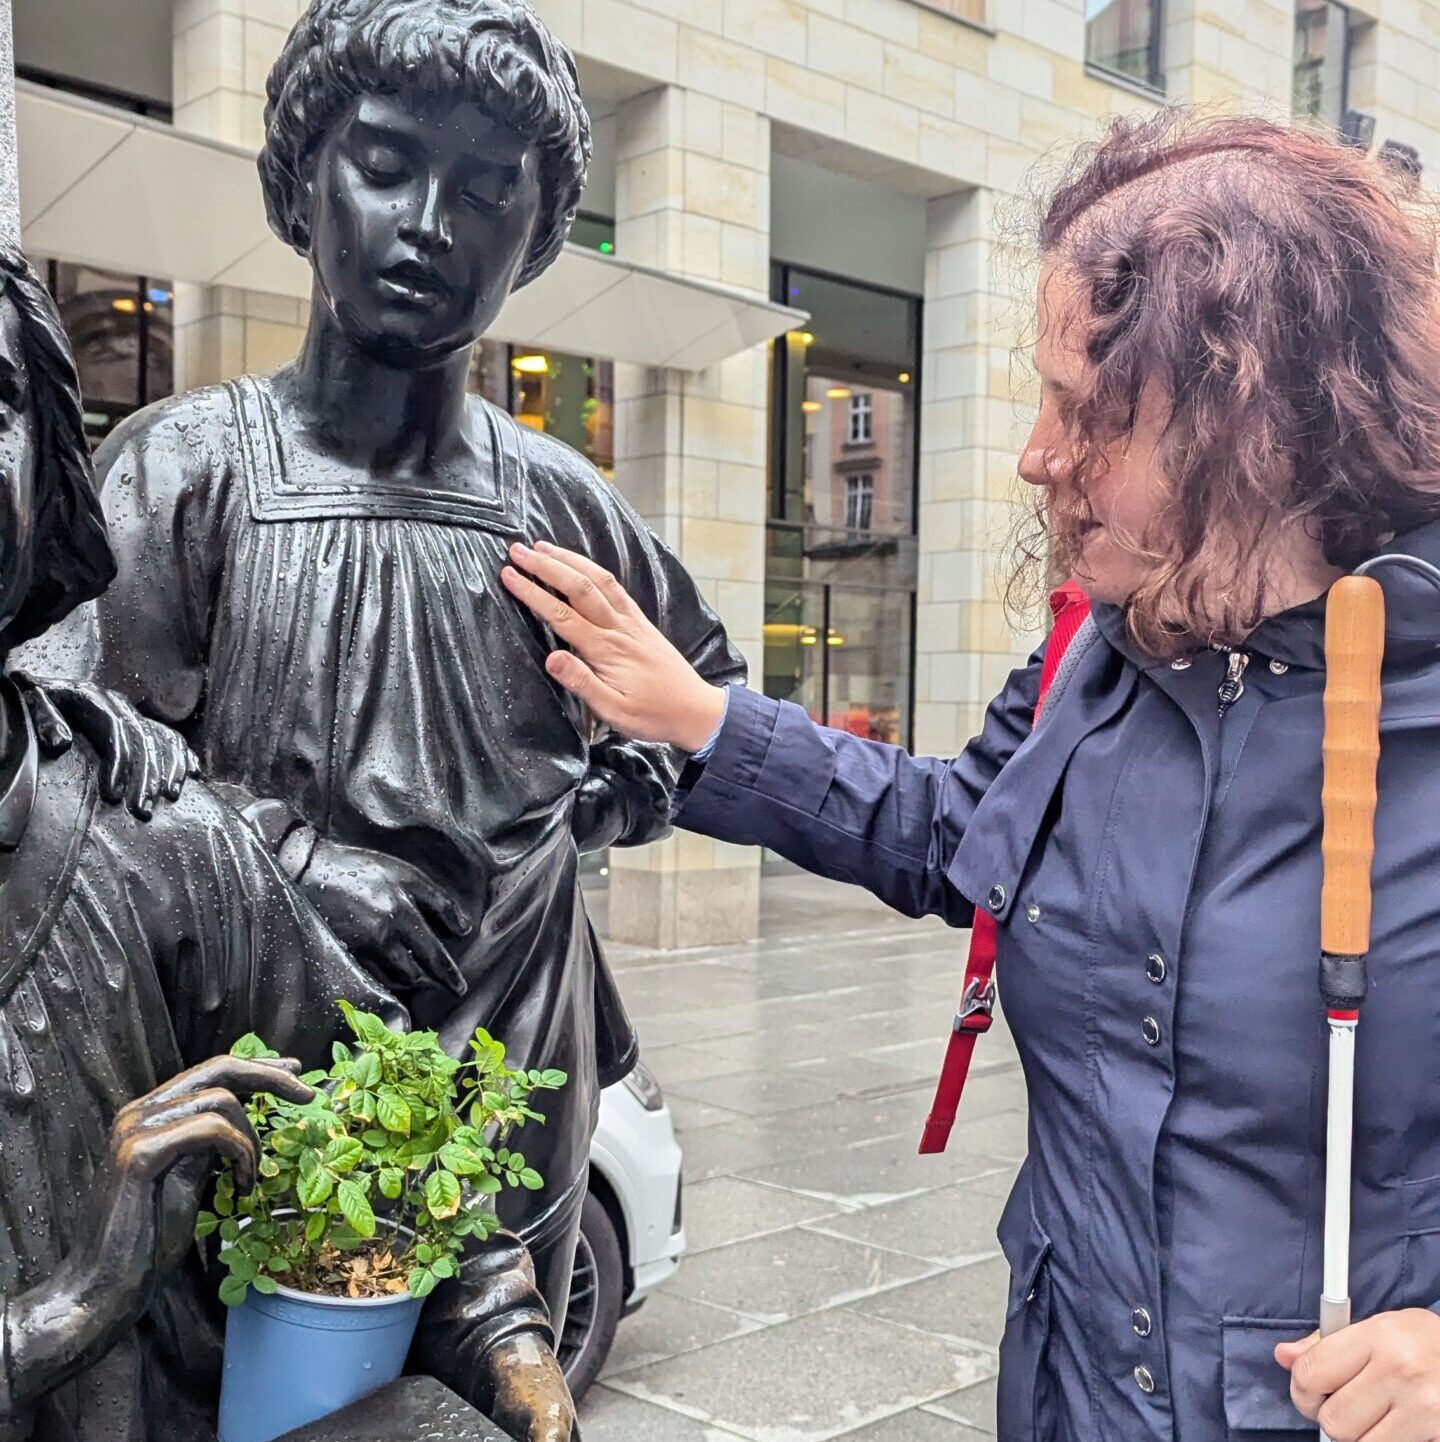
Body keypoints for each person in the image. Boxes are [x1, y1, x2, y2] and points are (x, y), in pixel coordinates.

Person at [503, 111, 1440, 1441]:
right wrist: (704, 720)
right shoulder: (1094, 650)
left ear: (1256, 419)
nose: (1037, 456)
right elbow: (956, 828)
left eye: (1089, 411)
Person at [28, 0, 745, 1330]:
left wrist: (620, 788)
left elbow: (701, 693)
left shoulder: (565, 509)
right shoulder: (182, 477)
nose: (431, 220)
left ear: (534, 234)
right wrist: (281, 866)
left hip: (510, 1098)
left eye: (485, 189)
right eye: (387, 163)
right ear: (303, 180)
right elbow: (59, 783)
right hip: (246, 1144)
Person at [0, 243, 577, 1442]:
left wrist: (512, 1351)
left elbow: (385, 1138)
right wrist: (66, 1308)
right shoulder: (191, 462)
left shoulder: (150, 837)